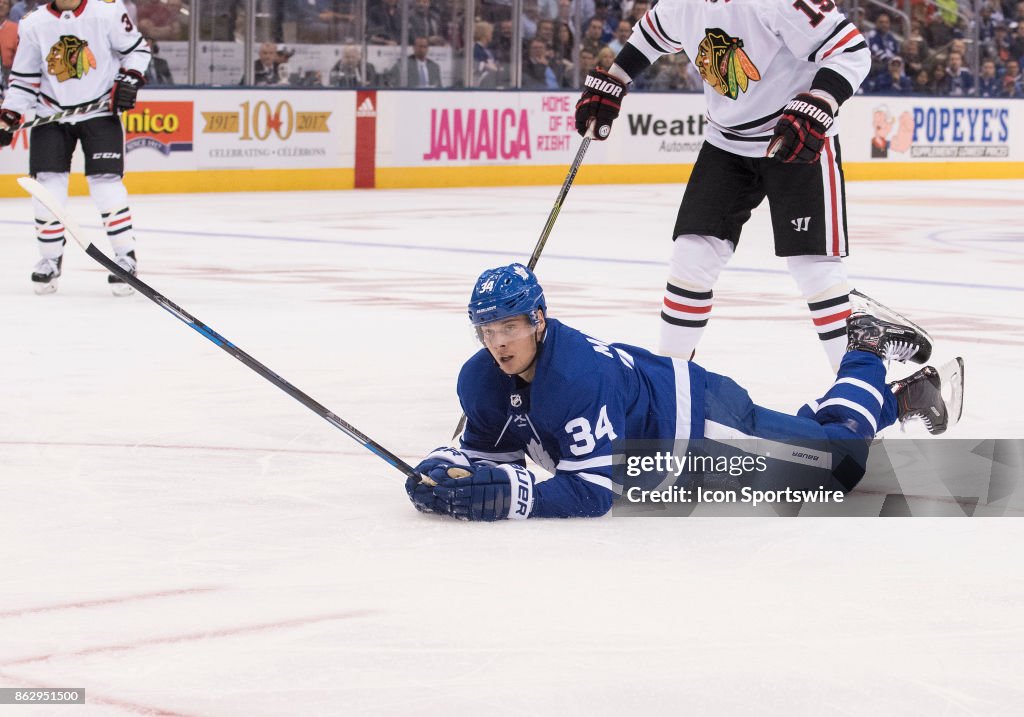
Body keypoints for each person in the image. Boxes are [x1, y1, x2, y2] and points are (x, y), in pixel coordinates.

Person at [405, 264, 962, 521]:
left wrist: (509, 499)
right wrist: (442, 471)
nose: (499, 343)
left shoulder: (576, 380)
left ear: (539, 321)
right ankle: (896, 398)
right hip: (652, 444)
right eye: (488, 330)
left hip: (696, 419)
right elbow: (487, 452)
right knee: (810, 445)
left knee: (838, 466)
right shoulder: (478, 378)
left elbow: (591, 494)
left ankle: (865, 347)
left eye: (510, 328)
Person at [573, 0, 871, 373]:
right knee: (690, 257)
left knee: (814, 270)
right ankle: (670, 384)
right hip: (726, 142)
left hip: (793, 137)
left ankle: (862, 386)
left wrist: (821, 102)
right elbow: (650, 35)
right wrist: (615, 79)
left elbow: (852, 52)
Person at [0, 0, 150, 295]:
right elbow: (25, 77)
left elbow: (137, 50)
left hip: (99, 113)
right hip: (50, 115)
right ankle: (49, 259)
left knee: (106, 185)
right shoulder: (34, 22)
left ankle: (125, 256)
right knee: (47, 188)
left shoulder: (107, 10)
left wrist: (129, 78)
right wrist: (10, 114)